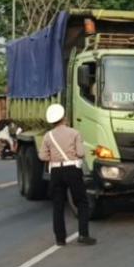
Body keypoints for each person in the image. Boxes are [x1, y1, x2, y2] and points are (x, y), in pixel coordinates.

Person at [38, 104, 97, 246]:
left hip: (56, 172)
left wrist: (54, 157)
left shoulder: (48, 136)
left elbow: (42, 157)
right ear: (64, 117)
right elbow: (81, 153)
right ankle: (83, 235)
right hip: (72, 170)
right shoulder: (74, 133)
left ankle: (60, 239)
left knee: (57, 205)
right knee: (82, 202)